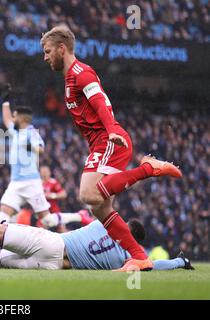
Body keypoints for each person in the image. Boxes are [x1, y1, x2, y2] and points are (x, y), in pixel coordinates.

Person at [40, 26, 182, 271]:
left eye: (48, 51)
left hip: (109, 140)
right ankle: (139, 256)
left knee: (89, 195)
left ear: (61, 49)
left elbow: (99, 102)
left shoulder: (80, 73)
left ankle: (148, 169)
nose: (45, 57)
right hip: (102, 141)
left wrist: (112, 129)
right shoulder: (70, 77)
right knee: (100, 208)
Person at [0, 221, 194, 272]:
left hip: (53, 243)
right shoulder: (127, 258)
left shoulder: (105, 223)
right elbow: (155, 266)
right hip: (52, 267)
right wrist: (180, 262)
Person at [0, 84, 52, 225]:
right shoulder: (16, 132)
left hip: (31, 182)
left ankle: (76, 217)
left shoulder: (31, 132)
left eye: (15, 115)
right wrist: (5, 102)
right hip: (15, 181)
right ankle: (3, 242)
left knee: (47, 220)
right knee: (4, 211)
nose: (13, 118)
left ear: (21, 118)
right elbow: (7, 120)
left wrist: (29, 146)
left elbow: (40, 149)